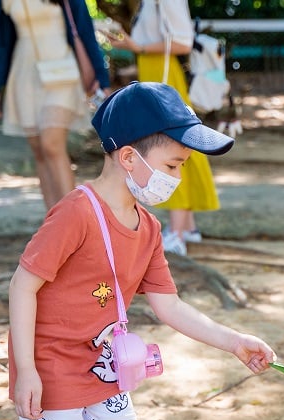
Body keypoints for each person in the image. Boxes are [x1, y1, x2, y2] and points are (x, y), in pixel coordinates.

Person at [8, 81, 276, 420]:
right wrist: (27, 368)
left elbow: (169, 304)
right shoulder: (76, 213)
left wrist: (233, 340)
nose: (177, 176)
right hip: (53, 365)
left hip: (104, 366)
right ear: (129, 156)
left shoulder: (149, 228)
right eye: (173, 163)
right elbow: (23, 284)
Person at [106, 0, 220, 256]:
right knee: (176, 143)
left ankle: (177, 232)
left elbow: (183, 43)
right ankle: (186, 227)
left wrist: (137, 47)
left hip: (163, 75)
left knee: (170, 146)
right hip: (154, 72)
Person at [0, 0, 110, 209]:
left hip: (62, 71)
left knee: (52, 144)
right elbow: (0, 38)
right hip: (24, 73)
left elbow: (85, 30)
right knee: (40, 150)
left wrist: (102, 80)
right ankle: (53, 224)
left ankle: (74, 220)